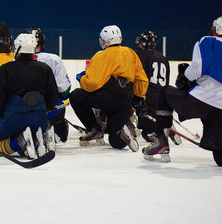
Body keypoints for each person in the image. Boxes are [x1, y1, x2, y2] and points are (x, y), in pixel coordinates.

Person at [143, 17, 222, 165]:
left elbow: (197, 69)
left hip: (201, 100)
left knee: (165, 92)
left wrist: (185, 75)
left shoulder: (207, 41)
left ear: (215, 29)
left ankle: (161, 140)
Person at [70, 25, 148, 151]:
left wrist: (81, 79)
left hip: (108, 99)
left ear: (105, 41)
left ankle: (94, 129)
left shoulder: (101, 56)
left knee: (75, 95)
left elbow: (93, 84)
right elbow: (142, 79)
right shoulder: (131, 53)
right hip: (125, 101)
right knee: (115, 141)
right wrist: (138, 98)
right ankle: (121, 132)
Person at [0, 33, 58, 158]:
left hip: (14, 118)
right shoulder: (45, 68)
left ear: (17, 48)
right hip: (39, 117)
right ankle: (40, 138)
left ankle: (20, 141)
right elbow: (52, 97)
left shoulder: (6, 69)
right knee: (32, 129)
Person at [134, 30, 180, 144]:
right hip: (162, 99)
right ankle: (165, 125)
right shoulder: (162, 57)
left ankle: (157, 128)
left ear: (144, 43)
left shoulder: (140, 55)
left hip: (148, 99)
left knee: (147, 133)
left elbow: (138, 78)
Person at [29, 28, 71, 143]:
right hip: (52, 110)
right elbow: (63, 89)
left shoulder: (15, 61)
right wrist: (61, 98)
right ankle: (55, 131)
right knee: (61, 132)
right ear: (42, 42)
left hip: (25, 111)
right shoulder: (54, 59)